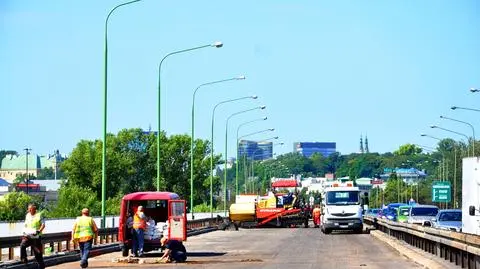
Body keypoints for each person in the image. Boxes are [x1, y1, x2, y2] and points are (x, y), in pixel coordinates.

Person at [20, 203, 46, 269]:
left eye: (30, 209)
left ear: (34, 209)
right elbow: (25, 225)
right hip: (28, 236)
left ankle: (41, 266)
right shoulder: (27, 215)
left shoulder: (39, 215)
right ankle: (24, 258)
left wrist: (38, 231)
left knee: (38, 254)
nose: (28, 210)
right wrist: (24, 232)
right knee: (22, 245)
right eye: (28, 209)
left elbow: (43, 225)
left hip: (36, 237)